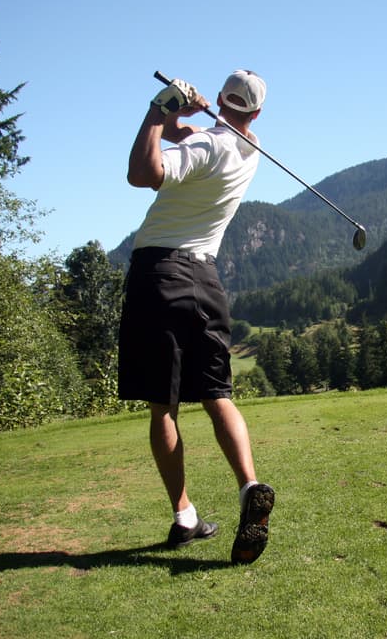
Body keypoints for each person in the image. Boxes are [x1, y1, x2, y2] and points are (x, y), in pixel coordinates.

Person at [119, 69, 274, 564]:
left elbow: (142, 174)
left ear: (223, 100)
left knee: (162, 405)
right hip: (206, 282)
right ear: (256, 113)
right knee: (217, 396)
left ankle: (184, 515)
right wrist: (182, 117)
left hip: (159, 275)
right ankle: (249, 484)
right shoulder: (248, 151)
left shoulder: (207, 147)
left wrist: (156, 112)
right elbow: (202, 138)